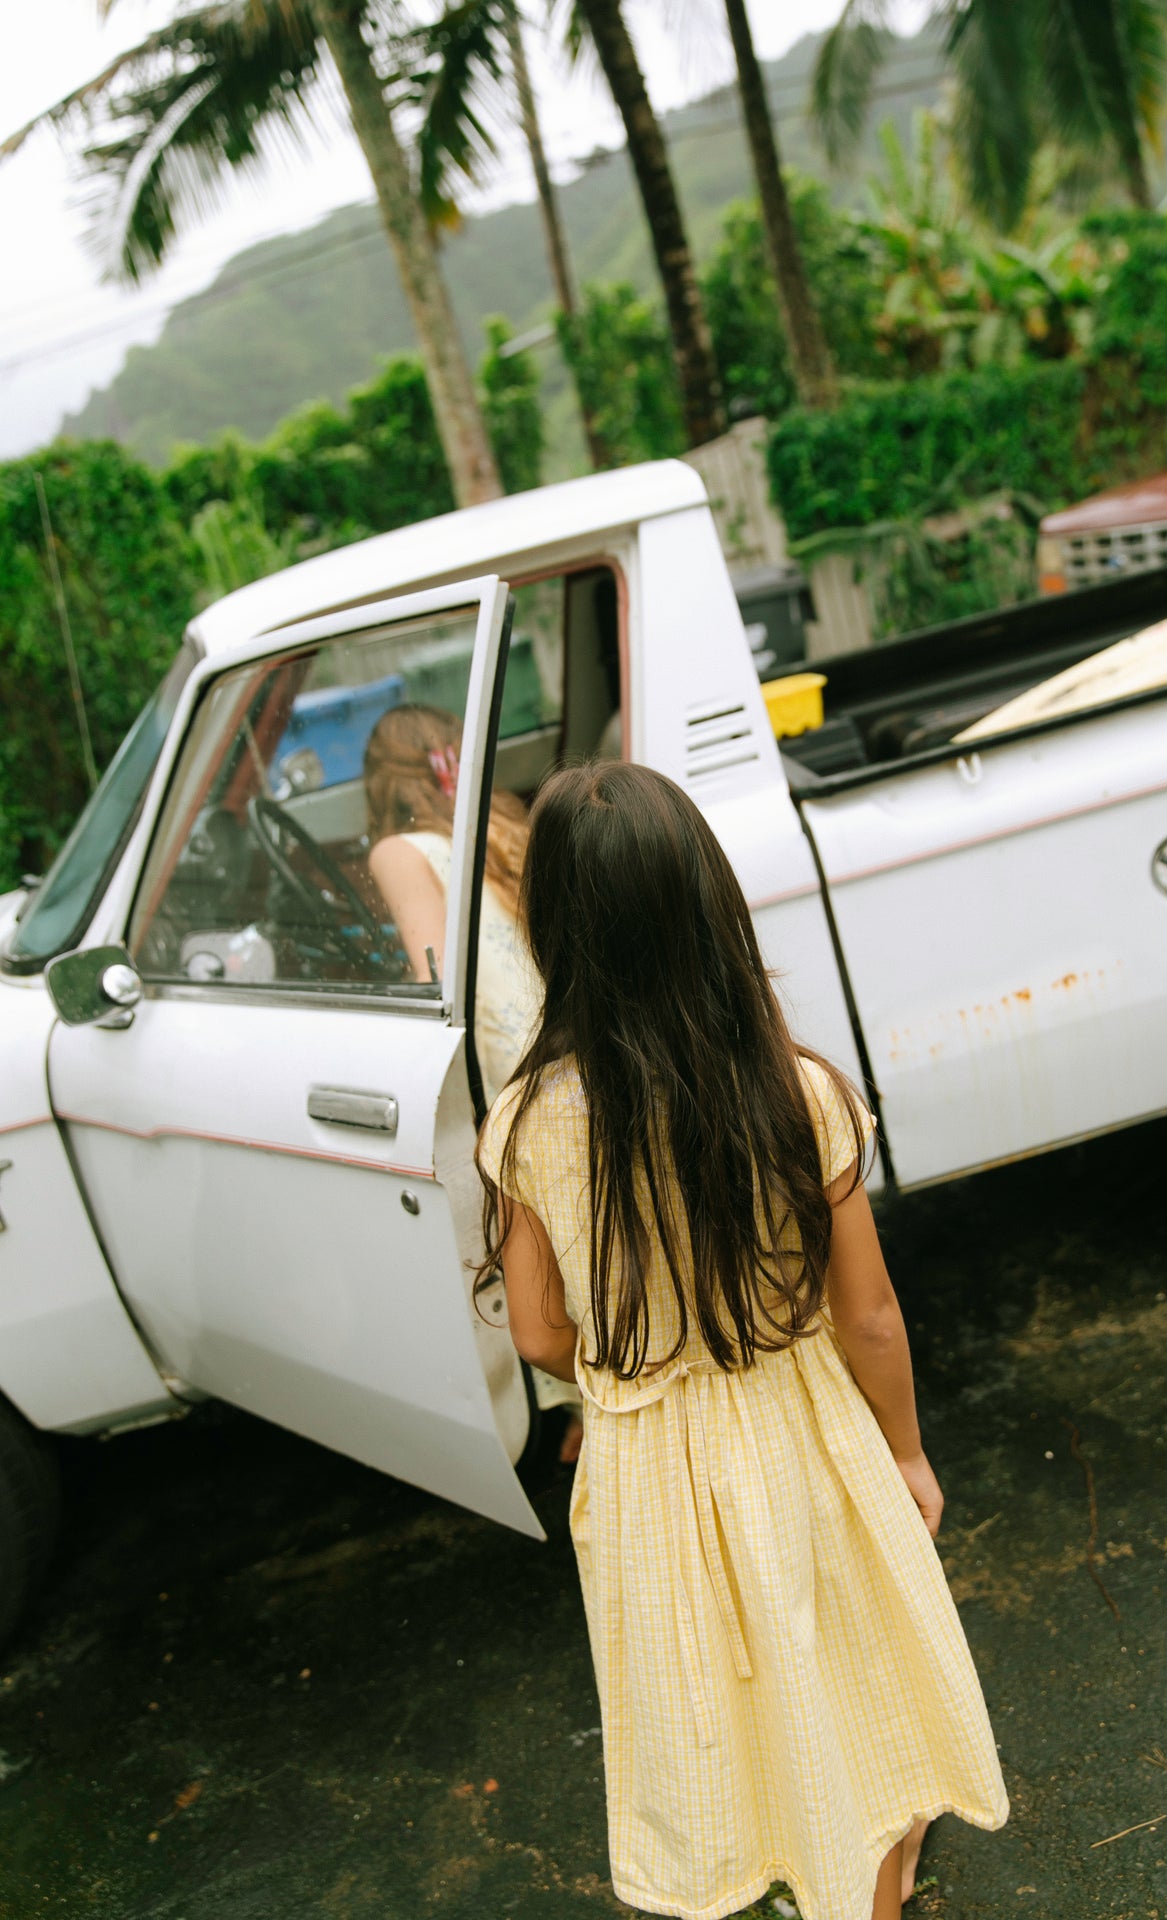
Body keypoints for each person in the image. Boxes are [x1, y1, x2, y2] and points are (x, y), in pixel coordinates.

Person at [476, 764, 1008, 1920]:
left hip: (648, 1473)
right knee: (861, 1687)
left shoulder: (523, 1123)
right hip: (803, 1432)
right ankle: (872, 1886)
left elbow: (535, 1328)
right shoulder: (794, 1090)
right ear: (708, 904)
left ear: (554, 926)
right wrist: (906, 1452)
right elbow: (866, 1312)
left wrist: (634, 1374)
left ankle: (784, 1873)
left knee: (716, 1716)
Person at [364, 704, 584, 1457]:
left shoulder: (399, 850)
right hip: (561, 1036)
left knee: (534, 1229)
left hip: (506, 1066)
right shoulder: (504, 828)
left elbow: (436, 979)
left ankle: (586, 1400)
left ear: (382, 783)